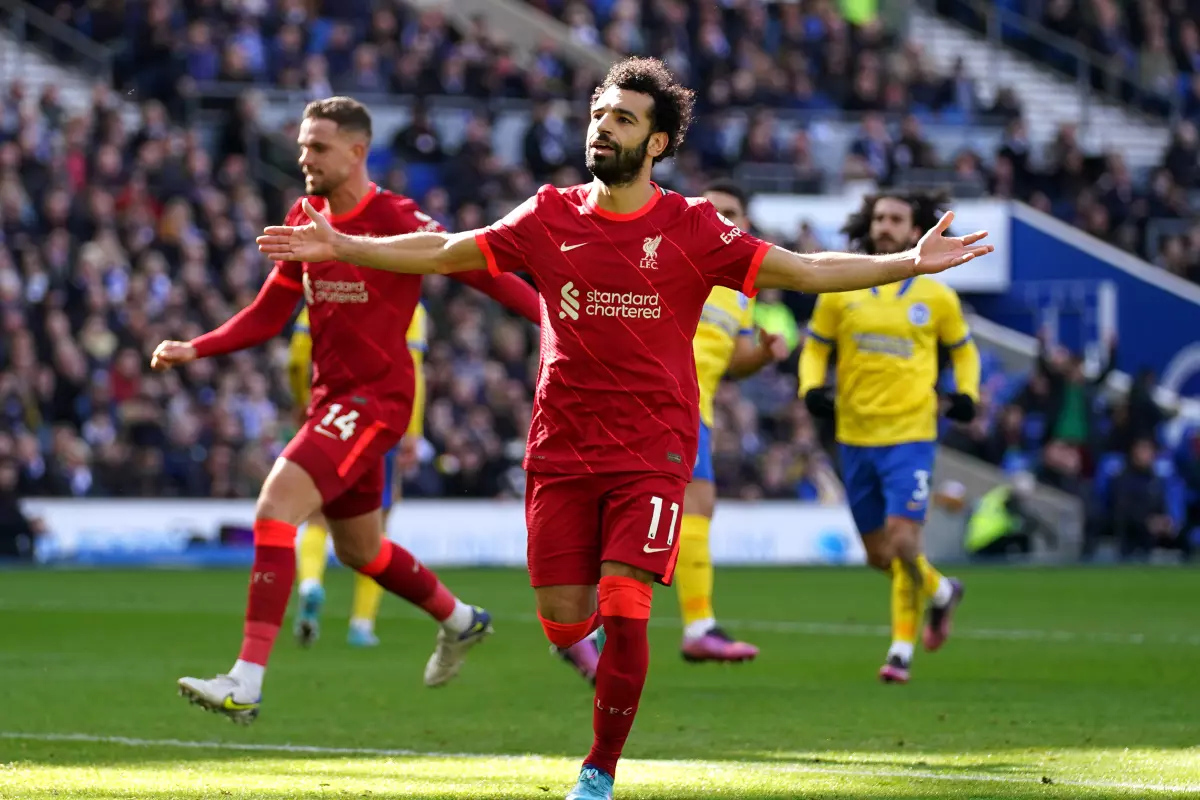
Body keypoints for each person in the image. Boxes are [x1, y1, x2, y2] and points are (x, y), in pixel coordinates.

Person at [257, 58, 993, 800]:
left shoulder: (693, 228)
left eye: (623, 119)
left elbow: (802, 271)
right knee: (561, 620)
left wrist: (906, 261)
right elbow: (449, 251)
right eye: (599, 114)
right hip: (561, 448)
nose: (603, 127)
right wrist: (347, 246)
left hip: (654, 448)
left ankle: (599, 770)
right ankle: (600, 680)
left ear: (660, 142)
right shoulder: (547, 214)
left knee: (625, 604)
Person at [151, 96, 541, 724]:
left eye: (318, 147)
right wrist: (197, 346)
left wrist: (550, 320)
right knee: (361, 551)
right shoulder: (305, 216)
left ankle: (245, 681)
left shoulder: (395, 215)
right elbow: (271, 313)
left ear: (357, 152)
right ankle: (461, 619)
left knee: (275, 510)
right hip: (331, 401)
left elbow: (483, 270)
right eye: (304, 145)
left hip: (378, 399)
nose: (304, 157)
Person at [554, 180, 788, 683]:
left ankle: (694, 625)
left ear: (745, 225)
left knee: (698, 507)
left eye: (733, 212)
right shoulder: (672, 258)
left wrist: (764, 353)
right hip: (643, 404)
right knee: (632, 516)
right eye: (715, 210)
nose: (723, 218)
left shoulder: (742, 291)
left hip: (690, 411)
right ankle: (597, 629)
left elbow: (731, 363)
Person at [798, 190, 981, 685]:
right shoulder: (843, 288)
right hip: (854, 435)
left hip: (911, 433)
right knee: (881, 554)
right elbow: (815, 348)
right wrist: (810, 386)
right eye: (879, 217)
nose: (884, 226)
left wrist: (966, 393)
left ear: (914, 227)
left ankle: (900, 652)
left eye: (896, 219)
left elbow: (964, 352)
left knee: (903, 540)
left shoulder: (937, 295)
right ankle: (941, 592)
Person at [288, 303, 428, 648]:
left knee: (317, 515)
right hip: (381, 417)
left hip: (328, 415)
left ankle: (310, 584)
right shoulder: (408, 304)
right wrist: (412, 430)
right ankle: (362, 625)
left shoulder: (323, 291)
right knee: (377, 526)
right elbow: (413, 369)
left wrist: (302, 402)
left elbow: (295, 360)